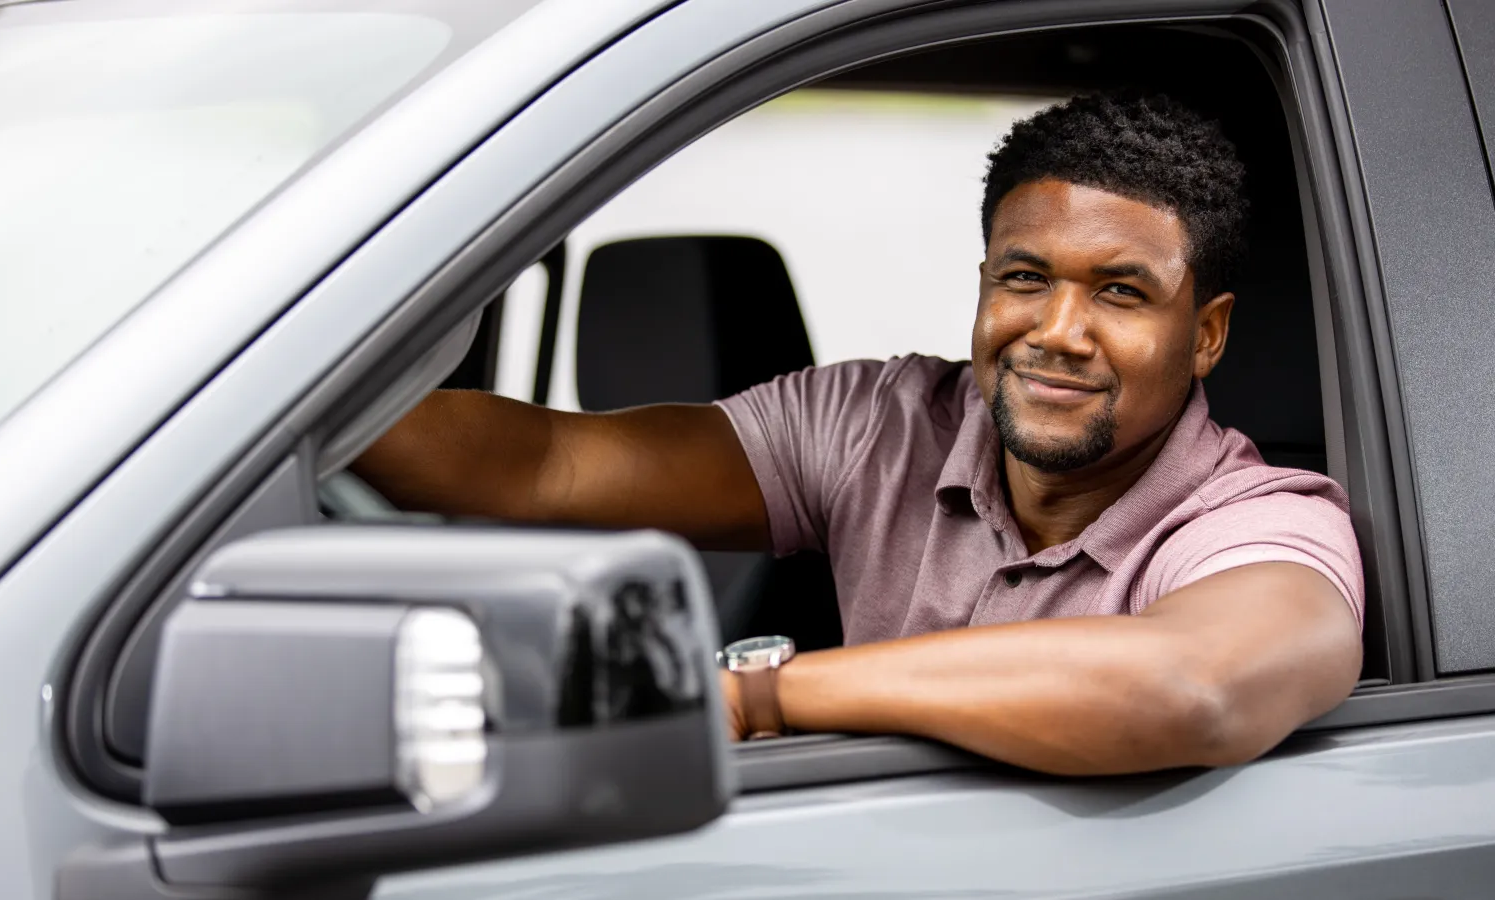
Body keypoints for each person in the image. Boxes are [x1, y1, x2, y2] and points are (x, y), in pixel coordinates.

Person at [354, 93, 1363, 775]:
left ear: (1206, 336)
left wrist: (755, 699)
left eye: (1120, 292)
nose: (1057, 333)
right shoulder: (877, 426)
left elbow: (1189, 686)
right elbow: (542, 465)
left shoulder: (1260, 523)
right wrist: (284, 400)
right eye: (1024, 279)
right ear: (983, 287)